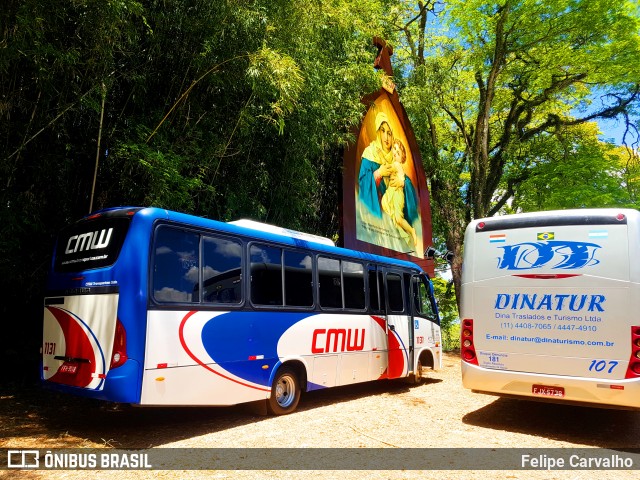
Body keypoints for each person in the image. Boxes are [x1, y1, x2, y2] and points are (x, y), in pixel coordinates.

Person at [381, 139, 418, 247]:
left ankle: (411, 231)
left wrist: (381, 158)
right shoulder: (395, 164)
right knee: (385, 204)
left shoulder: (397, 164)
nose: (395, 153)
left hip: (397, 194)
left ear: (402, 157)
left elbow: (392, 171)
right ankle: (402, 231)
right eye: (394, 149)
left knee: (397, 217)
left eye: (398, 152)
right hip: (391, 192)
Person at [358, 112, 395, 218]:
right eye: (383, 131)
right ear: (378, 132)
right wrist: (379, 173)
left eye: (389, 133)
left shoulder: (395, 157)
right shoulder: (370, 153)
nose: (386, 137)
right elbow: (363, 183)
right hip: (375, 217)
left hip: (392, 217)